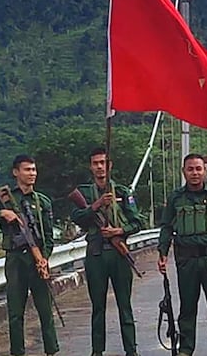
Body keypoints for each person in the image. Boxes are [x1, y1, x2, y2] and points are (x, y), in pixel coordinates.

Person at [157, 153, 207, 356]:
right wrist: (162, 253)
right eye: (190, 169)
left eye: (198, 169)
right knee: (187, 307)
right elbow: (166, 227)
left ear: (205, 172)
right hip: (186, 259)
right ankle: (185, 348)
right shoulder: (175, 198)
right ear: (184, 172)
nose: (195, 173)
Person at [0, 155, 59, 356]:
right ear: (16, 172)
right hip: (16, 259)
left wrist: (44, 258)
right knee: (16, 312)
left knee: (45, 310)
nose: (32, 173)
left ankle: (51, 350)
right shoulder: (4, 198)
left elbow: (49, 235)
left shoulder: (42, 201)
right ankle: (17, 352)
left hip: (37, 259)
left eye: (34, 169)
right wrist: (1, 214)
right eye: (27, 170)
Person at [71, 147, 143, 356]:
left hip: (119, 254)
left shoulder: (122, 192)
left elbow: (137, 222)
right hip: (96, 255)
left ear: (110, 165)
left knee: (124, 305)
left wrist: (119, 230)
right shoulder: (84, 192)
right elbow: (77, 216)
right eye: (96, 163)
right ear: (91, 166)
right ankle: (97, 351)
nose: (100, 167)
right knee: (98, 306)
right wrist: (96, 205)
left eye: (103, 163)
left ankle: (131, 350)